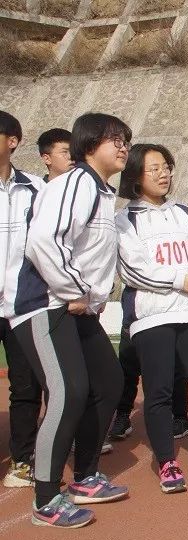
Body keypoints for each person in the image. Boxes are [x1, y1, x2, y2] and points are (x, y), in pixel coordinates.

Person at [13, 112, 132, 528]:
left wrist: (91, 297)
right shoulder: (76, 183)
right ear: (87, 145)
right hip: (47, 305)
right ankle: (46, 498)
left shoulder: (101, 192)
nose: (122, 147)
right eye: (113, 139)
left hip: (78, 307)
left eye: (125, 141)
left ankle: (84, 477)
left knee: (109, 384)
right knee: (69, 391)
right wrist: (76, 291)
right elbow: (45, 241)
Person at [115, 143, 188, 493]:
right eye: (155, 168)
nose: (164, 173)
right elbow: (133, 271)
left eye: (167, 166)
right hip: (152, 317)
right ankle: (166, 461)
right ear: (136, 175)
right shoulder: (125, 220)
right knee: (159, 392)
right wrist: (181, 280)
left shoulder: (183, 212)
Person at [0, 110, 45, 488]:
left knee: (26, 385)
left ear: (12, 141)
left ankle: (22, 459)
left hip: (20, 306)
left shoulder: (36, 189)